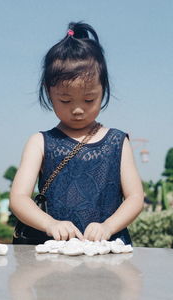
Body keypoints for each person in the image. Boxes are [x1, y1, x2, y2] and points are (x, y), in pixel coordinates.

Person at [10, 21, 144, 244]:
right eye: (65, 100)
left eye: (89, 99)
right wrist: (50, 224)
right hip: (55, 251)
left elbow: (135, 197)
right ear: (48, 92)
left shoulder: (118, 141)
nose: (78, 109)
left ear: (104, 88)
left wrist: (108, 226)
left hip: (107, 249)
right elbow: (18, 198)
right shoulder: (40, 142)